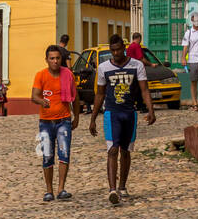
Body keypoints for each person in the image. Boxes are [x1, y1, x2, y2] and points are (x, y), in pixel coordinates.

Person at [89, 33, 155, 205]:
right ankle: (112, 189)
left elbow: (144, 90)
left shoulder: (137, 65)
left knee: (125, 151)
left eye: (118, 50)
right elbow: (100, 94)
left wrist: (151, 109)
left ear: (124, 49)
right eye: (113, 50)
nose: (116, 53)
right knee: (112, 150)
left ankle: (122, 186)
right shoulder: (104, 68)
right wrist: (93, 118)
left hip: (129, 113)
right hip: (112, 114)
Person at [31, 45, 80, 202]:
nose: (55, 61)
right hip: (45, 123)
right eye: (52, 58)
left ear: (61, 60)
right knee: (47, 155)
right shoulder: (41, 75)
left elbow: (75, 97)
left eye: (58, 58)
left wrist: (76, 117)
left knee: (64, 154)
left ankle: (61, 189)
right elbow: (34, 96)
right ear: (46, 60)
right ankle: (49, 190)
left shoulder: (68, 75)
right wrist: (41, 101)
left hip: (63, 121)